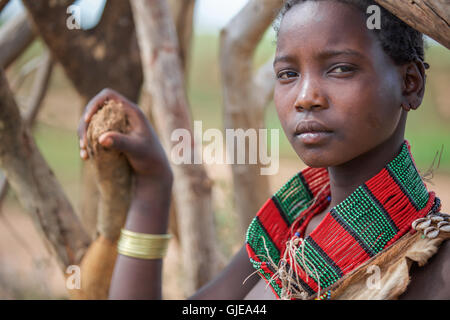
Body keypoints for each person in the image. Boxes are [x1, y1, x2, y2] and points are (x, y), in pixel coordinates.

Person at [78, 0, 450, 300]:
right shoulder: (292, 231)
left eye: (339, 68)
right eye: (288, 74)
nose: (306, 98)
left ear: (411, 84)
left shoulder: (433, 265)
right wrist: (153, 186)